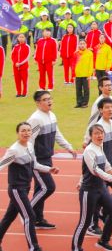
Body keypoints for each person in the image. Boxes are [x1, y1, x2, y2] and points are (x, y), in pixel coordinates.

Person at [0, 121, 55, 251]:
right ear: (17, 133)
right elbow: (1, 165)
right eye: (23, 131)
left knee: (8, 217)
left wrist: (49, 169)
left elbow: (35, 164)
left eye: (28, 131)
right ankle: (34, 249)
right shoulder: (14, 150)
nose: (26, 133)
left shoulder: (30, 145)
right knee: (30, 216)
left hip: (25, 188)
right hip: (17, 189)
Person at [69, 124, 112, 251]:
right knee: (85, 221)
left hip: (101, 188)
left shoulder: (100, 148)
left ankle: (103, 240)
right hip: (89, 191)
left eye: (101, 133)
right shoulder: (89, 151)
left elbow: (105, 165)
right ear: (91, 136)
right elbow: (95, 170)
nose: (99, 136)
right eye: (96, 133)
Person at [27, 90, 77, 230]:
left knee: (40, 188)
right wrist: (33, 161)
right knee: (48, 187)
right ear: (38, 103)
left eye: (50, 98)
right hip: (37, 160)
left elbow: (57, 134)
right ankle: (27, 211)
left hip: (47, 157)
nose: (49, 101)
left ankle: (37, 219)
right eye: (45, 99)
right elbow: (29, 140)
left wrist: (68, 147)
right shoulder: (35, 119)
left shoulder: (51, 115)